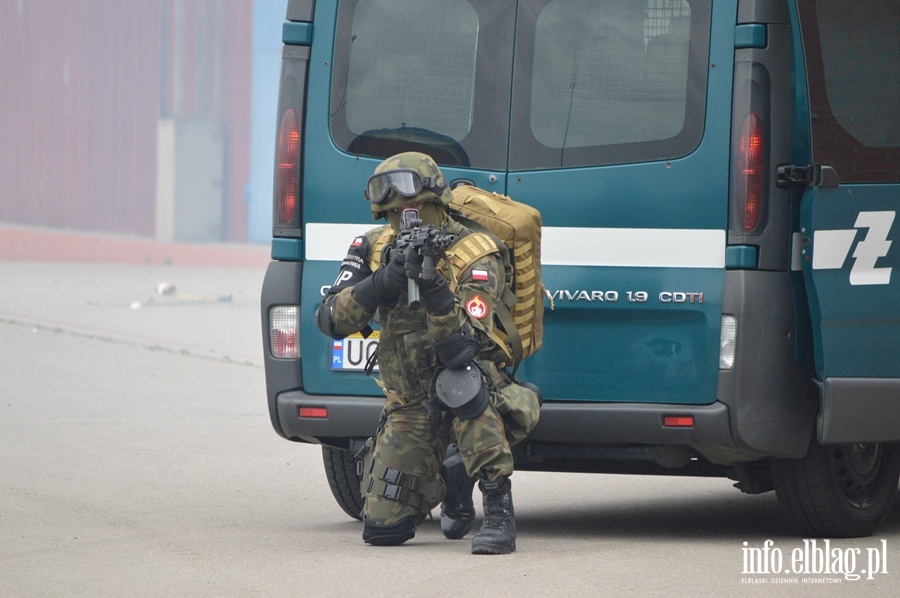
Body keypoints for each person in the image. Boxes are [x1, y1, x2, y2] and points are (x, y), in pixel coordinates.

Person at [314, 152, 541, 554]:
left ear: (437, 204)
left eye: (415, 208)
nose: (406, 220)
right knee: (383, 529)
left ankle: (498, 508)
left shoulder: (475, 253)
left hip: (466, 384)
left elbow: (464, 347)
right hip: (409, 402)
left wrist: (435, 291)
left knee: (464, 385)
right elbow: (330, 319)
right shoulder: (372, 247)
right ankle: (450, 477)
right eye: (396, 212)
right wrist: (382, 282)